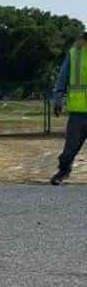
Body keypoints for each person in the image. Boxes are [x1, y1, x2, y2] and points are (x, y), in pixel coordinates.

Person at [50, 30, 87, 185]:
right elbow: (63, 76)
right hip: (78, 112)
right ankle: (63, 171)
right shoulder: (75, 53)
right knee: (70, 148)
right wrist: (58, 97)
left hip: (79, 112)